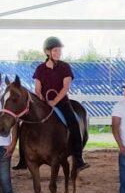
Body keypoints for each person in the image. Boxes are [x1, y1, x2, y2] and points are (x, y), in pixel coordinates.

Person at [33, 36, 87, 171]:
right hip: (44, 102)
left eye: (59, 51)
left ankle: (79, 159)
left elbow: (65, 88)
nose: (58, 53)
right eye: (55, 50)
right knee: (25, 124)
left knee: (74, 123)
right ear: (47, 52)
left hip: (62, 102)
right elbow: (37, 89)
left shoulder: (65, 67)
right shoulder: (40, 69)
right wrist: (42, 101)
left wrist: (54, 101)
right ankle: (23, 158)